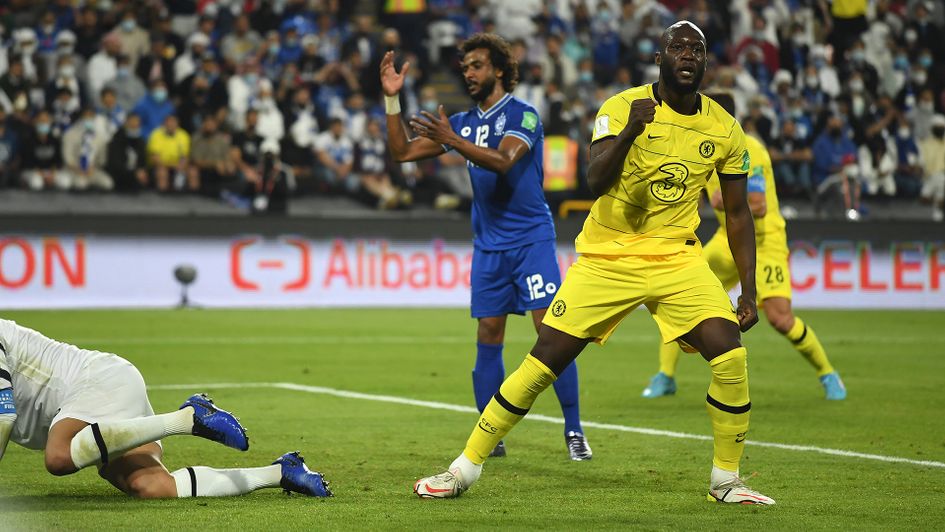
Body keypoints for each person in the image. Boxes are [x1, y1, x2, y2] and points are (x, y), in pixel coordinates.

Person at [412, 21, 776, 505]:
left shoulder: (725, 128)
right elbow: (596, 180)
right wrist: (631, 132)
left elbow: (737, 214)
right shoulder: (621, 108)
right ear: (660, 59)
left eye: (697, 49)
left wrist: (748, 290)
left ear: (706, 62)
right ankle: (463, 469)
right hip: (608, 256)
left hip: (676, 257)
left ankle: (725, 481)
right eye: (677, 47)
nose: (688, 54)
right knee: (544, 362)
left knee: (730, 355)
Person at [381, 33, 591, 461]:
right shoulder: (461, 122)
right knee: (488, 334)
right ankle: (491, 434)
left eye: (476, 66)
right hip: (490, 248)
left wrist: (454, 140)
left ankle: (574, 429)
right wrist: (391, 100)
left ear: (498, 69)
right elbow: (402, 152)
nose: (469, 74)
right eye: (464, 68)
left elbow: (504, 161)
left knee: (551, 334)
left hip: (531, 241)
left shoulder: (523, 114)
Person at [641, 93, 846, 402]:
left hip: (763, 241)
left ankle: (827, 373)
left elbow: (759, 206)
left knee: (780, 318)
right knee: (676, 293)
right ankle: (665, 375)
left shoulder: (750, 149)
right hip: (727, 239)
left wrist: (723, 200)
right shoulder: (701, 147)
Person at [0, 318, 332, 499]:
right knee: (153, 487)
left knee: (59, 457)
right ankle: (282, 473)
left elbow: (5, 417)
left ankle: (187, 419)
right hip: (92, 411)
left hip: (97, 383)